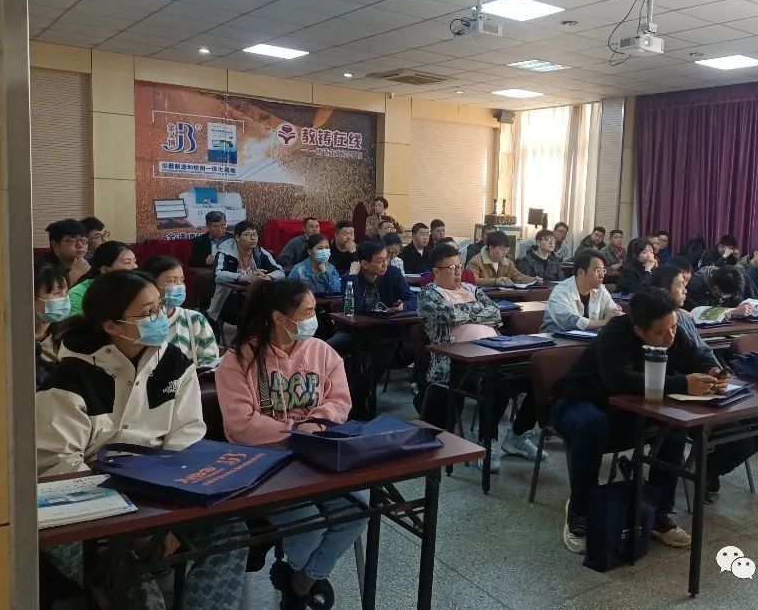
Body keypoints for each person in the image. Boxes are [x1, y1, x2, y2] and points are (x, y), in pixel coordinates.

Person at [37, 270, 246, 609]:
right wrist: (133, 522)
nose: (160, 317)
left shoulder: (174, 363)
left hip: (160, 493)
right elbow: (59, 464)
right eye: (148, 312)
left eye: (159, 306)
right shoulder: (70, 377)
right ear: (112, 325)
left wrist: (165, 516)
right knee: (133, 584)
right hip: (84, 507)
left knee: (230, 531)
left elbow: (186, 438)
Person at [215, 279, 366, 609]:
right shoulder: (239, 360)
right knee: (307, 525)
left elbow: (340, 402)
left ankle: (301, 581)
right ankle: (306, 580)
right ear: (279, 318)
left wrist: (317, 423)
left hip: (316, 455)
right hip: (262, 463)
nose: (315, 318)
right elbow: (242, 424)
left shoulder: (322, 352)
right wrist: (296, 430)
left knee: (358, 506)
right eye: (307, 312)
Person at [549, 289, 711, 554]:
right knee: (592, 426)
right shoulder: (615, 334)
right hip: (578, 401)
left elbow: (698, 354)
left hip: (624, 410)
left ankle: (659, 511)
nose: (671, 336)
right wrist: (682, 383)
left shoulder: (669, 326)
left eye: (673, 327)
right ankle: (580, 509)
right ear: (638, 330)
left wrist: (712, 369)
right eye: (661, 332)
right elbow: (619, 381)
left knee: (673, 425)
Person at [648, 266, 758, 498]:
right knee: (739, 441)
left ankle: (709, 467)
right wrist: (691, 380)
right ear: (662, 290)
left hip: (707, 388)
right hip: (681, 395)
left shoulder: (683, 317)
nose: (686, 289)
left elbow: (702, 352)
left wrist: (714, 369)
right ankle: (707, 472)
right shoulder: (652, 321)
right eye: (680, 285)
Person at [417, 243, 544, 468]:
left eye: (460, 266)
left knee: (538, 375)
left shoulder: (471, 288)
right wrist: (476, 311)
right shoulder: (429, 294)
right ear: (436, 271)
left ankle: (518, 433)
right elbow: (448, 315)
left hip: (495, 351)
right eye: (451, 268)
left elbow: (495, 313)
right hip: (456, 363)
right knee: (497, 382)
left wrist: (466, 313)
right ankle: (487, 440)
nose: (458, 272)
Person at [331, 240, 417, 417]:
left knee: (384, 351)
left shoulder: (393, 273)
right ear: (364, 264)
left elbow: (412, 299)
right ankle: (338, 393)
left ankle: (357, 397)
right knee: (327, 348)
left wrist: (403, 306)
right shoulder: (350, 278)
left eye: (386, 259)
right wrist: (353, 276)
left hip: (386, 332)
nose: (385, 264)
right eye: (379, 261)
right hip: (356, 332)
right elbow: (353, 309)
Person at [141, 255, 220, 368]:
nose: (180, 286)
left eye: (182, 280)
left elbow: (210, 361)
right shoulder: (138, 322)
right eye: (172, 281)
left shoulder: (194, 319)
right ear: (151, 284)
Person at [208, 220, 284, 326]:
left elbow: (280, 272)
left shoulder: (260, 252)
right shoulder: (224, 252)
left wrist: (268, 277)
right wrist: (244, 277)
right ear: (237, 237)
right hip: (228, 298)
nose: (253, 238)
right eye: (248, 234)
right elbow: (218, 275)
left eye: (255, 234)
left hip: (254, 296)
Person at [540, 249, 622, 333]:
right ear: (581, 272)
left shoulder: (601, 289)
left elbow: (614, 312)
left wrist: (616, 314)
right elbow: (570, 322)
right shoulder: (561, 291)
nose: (602, 275)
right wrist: (604, 322)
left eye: (603, 271)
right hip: (553, 338)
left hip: (588, 338)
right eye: (598, 271)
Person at [67, 241, 137, 316]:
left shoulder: (136, 287)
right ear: (105, 270)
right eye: (127, 263)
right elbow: (75, 323)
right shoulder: (78, 294)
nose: (135, 267)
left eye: (135, 261)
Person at [34, 264, 70, 389]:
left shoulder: (65, 334)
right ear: (32, 298)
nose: (64, 298)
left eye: (66, 292)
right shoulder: (17, 342)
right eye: (57, 293)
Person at [468, 231, 540, 287]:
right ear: (491, 248)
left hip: (503, 296)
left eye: (507, 249)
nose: (505, 252)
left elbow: (518, 277)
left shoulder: (508, 263)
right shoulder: (475, 262)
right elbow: (473, 280)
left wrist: (534, 280)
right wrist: (495, 281)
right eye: (502, 249)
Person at [36, 218, 90, 286]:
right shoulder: (42, 268)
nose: (80, 245)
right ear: (55, 244)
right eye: (72, 241)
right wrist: (75, 275)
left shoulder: (90, 262)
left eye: (83, 240)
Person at [684, 265, 756, 317]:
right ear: (716, 287)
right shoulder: (696, 284)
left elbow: (737, 302)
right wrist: (731, 311)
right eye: (727, 295)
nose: (729, 296)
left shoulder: (731, 280)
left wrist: (745, 307)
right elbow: (699, 313)